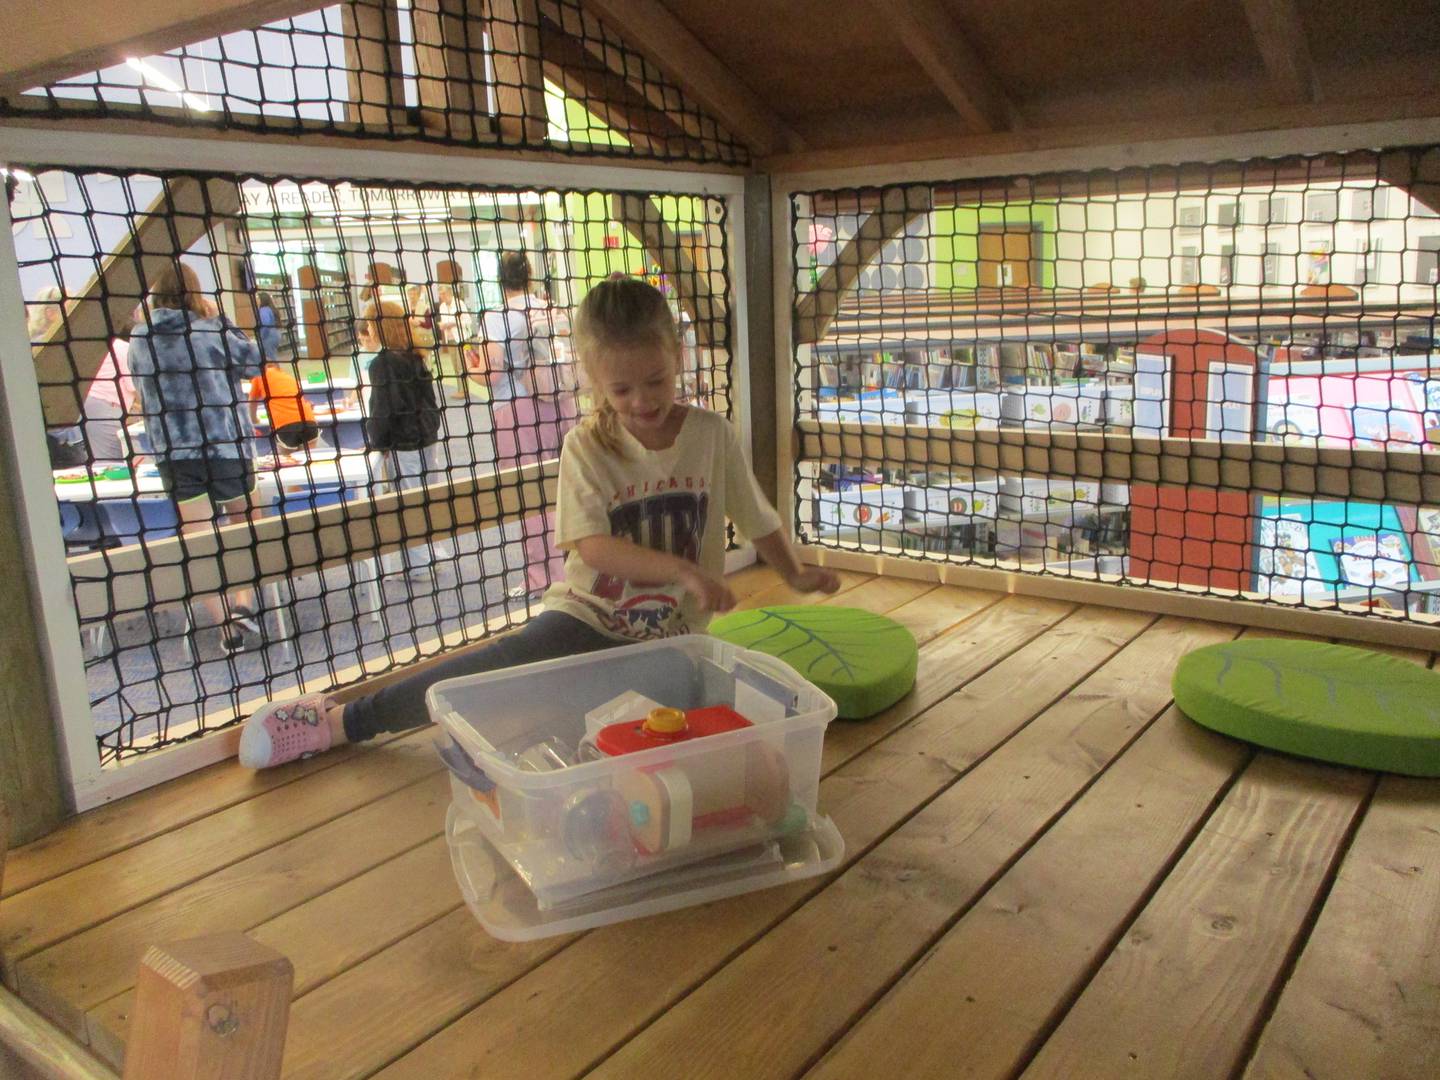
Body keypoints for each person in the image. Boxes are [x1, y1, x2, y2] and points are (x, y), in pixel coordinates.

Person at [238, 276, 839, 768]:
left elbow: (756, 515)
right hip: (585, 620)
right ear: (592, 378)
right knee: (480, 677)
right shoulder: (588, 445)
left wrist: (795, 572)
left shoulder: (711, 435)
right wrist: (681, 570)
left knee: (681, 737)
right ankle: (341, 722)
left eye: (655, 381)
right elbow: (595, 548)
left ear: (676, 358)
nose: (642, 401)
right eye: (622, 388)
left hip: (675, 640)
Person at [127, 262, 265, 653]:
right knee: (246, 526)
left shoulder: (140, 338)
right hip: (225, 445)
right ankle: (242, 604)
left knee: (198, 539)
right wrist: (223, 322)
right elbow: (254, 364)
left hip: (174, 452)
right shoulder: (212, 329)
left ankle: (225, 627)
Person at [471, 252, 576, 599]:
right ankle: (574, 567)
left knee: (528, 494)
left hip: (516, 411)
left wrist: (470, 365)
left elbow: (493, 371)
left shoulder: (497, 317)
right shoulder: (548, 307)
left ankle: (542, 577)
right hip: (560, 402)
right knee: (564, 485)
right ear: (529, 276)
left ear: (500, 279)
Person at [360, 297, 451, 580]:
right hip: (426, 436)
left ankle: (420, 565)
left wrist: (379, 442)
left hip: (404, 441)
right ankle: (430, 555)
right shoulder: (415, 356)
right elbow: (430, 399)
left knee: (408, 501)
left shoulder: (383, 364)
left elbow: (383, 408)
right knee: (425, 496)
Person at [248, 359, 320, 459]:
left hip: (285, 426)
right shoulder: (288, 377)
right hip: (309, 423)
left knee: (287, 464)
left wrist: (254, 420)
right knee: (308, 462)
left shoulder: (259, 375)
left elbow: (252, 402)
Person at [255, 291, 283, 362]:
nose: (256, 300)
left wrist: (261, 337)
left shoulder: (263, 310)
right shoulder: (270, 308)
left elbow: (265, 323)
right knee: (272, 357)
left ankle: (275, 372)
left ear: (262, 300)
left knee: (269, 359)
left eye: (258, 298)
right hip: (275, 334)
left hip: (268, 337)